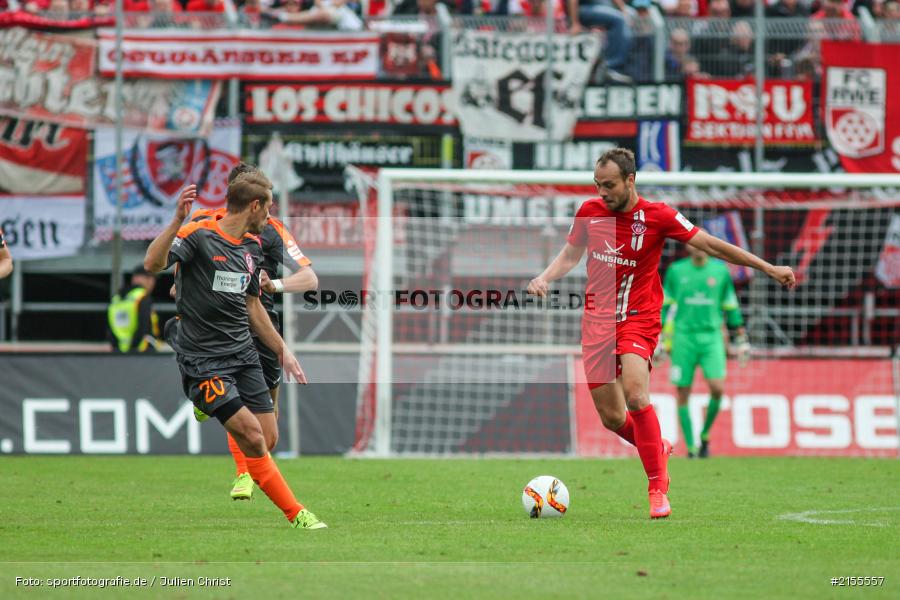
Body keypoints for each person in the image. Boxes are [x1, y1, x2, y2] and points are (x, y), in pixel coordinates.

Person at [527, 148, 795, 519]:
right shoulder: (589, 211)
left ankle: (657, 488)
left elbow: (711, 244)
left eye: (609, 185)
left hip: (639, 317)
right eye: (597, 185)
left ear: (630, 180)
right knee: (611, 417)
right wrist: (544, 277)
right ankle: (657, 446)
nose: (602, 192)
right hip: (597, 322)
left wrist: (768, 268)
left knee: (637, 395)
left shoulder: (658, 216)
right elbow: (571, 255)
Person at [144, 172, 326, 530]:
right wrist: (176, 220)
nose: (270, 217)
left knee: (266, 438)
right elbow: (152, 264)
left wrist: (283, 351)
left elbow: (253, 306)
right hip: (204, 360)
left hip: (244, 354)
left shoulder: (251, 249)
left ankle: (248, 466)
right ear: (255, 206)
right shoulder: (198, 234)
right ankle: (298, 514)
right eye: (268, 208)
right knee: (253, 437)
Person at [189, 162, 318, 501]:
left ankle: (213, 408)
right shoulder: (204, 223)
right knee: (237, 404)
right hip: (221, 330)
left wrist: (274, 284)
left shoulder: (271, 230)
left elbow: (309, 279)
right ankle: (243, 473)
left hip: (262, 326)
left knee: (267, 432)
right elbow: (178, 274)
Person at [660, 244, 750, 458]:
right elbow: (665, 304)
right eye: (693, 242)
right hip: (683, 337)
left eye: (701, 242)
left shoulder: (720, 271)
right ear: (687, 246)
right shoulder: (676, 271)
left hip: (712, 337)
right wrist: (659, 336)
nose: (698, 247)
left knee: (717, 388)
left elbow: (730, 305)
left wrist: (741, 336)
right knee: (683, 392)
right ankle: (691, 447)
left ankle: (705, 434)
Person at [108, 265, 161, 353]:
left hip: (119, 352)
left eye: (153, 278)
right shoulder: (142, 297)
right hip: (143, 352)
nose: (152, 282)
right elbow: (143, 326)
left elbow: (110, 329)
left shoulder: (116, 300)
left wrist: (117, 349)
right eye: (148, 278)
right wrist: (133, 349)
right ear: (135, 278)